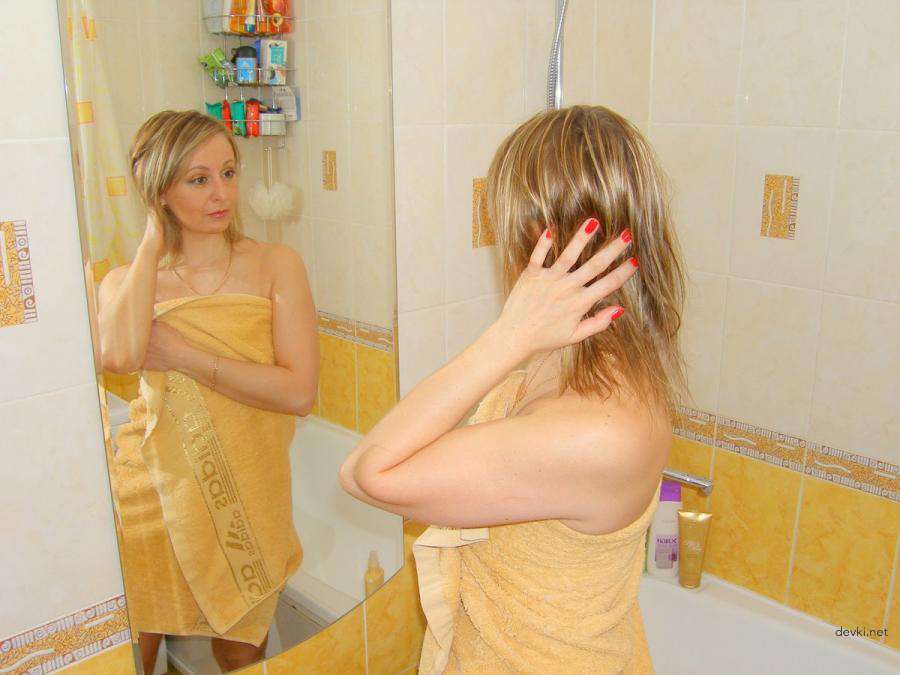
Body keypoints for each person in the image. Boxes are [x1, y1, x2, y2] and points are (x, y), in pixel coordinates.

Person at [340, 105, 685, 673]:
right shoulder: (582, 358)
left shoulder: (595, 428)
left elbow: (365, 473)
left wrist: (507, 336)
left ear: (534, 234)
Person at [98, 110, 318, 673]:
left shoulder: (276, 266)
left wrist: (185, 357)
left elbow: (299, 392)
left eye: (228, 172)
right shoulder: (126, 282)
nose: (221, 194)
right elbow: (118, 357)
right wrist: (152, 243)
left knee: (242, 650)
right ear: (160, 192)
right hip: (153, 488)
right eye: (198, 180)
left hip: (245, 490)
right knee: (136, 647)